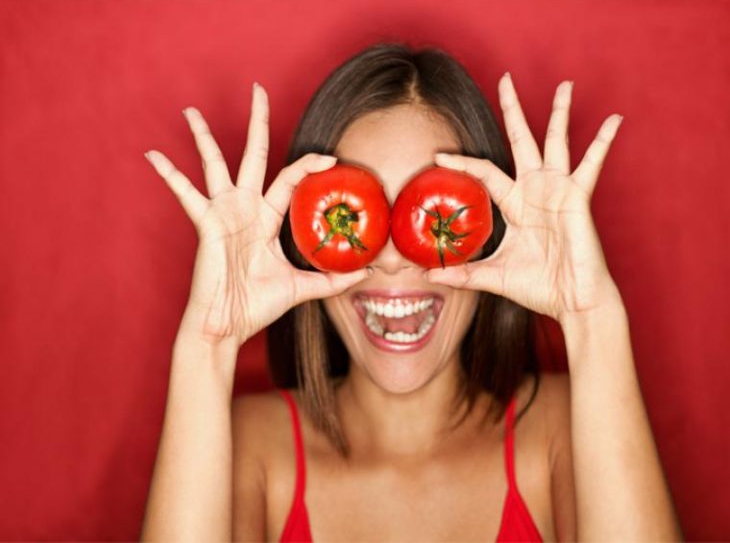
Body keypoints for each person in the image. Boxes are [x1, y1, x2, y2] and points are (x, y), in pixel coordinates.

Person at [140, 42, 682, 541]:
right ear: (302, 244)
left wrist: (592, 320)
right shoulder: (249, 446)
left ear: (495, 235)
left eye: (430, 209)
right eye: (362, 215)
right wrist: (206, 348)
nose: (394, 259)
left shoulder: (563, 430)